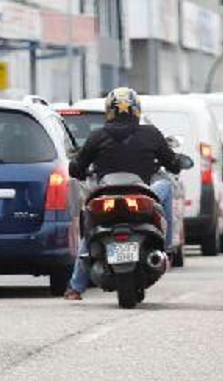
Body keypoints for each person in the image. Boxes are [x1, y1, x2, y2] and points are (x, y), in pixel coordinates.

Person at [63, 87, 182, 301]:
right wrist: (172, 163)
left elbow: (76, 168)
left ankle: (75, 287)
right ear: (136, 110)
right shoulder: (151, 133)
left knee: (90, 229)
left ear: (109, 110)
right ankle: (167, 245)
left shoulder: (97, 136)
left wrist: (81, 168)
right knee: (166, 186)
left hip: (105, 195)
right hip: (142, 195)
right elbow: (172, 164)